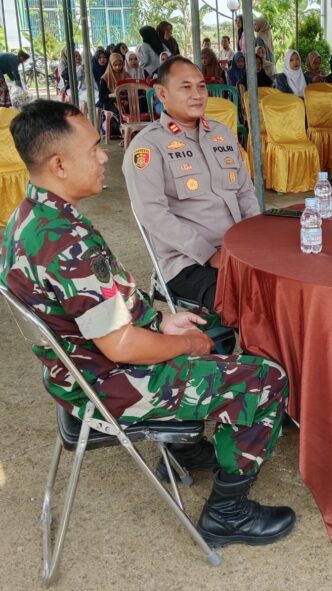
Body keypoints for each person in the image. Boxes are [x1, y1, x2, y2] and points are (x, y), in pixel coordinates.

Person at [2, 99, 296, 547]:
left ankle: (184, 450)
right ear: (59, 164)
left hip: (74, 373)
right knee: (265, 378)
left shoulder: (32, 216)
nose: (104, 157)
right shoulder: (63, 240)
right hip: (107, 383)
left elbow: (104, 304)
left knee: (207, 332)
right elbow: (122, 346)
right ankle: (227, 513)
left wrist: (160, 321)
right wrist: (185, 345)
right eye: (94, 149)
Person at [123, 56, 260, 313]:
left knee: (290, 283)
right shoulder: (148, 146)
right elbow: (152, 214)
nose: (197, 95)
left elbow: (245, 193)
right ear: (162, 93)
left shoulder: (222, 134)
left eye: (201, 86)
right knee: (250, 304)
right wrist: (209, 254)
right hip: (187, 263)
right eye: (186, 87)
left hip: (237, 250)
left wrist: (255, 239)